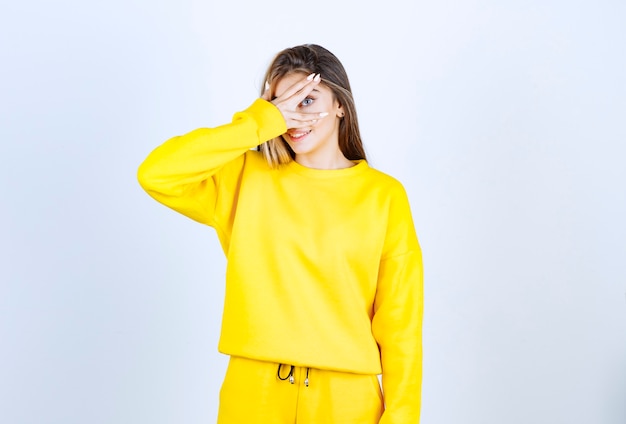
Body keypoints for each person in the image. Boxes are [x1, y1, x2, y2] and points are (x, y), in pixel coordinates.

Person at [137, 44, 423, 423]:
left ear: (340, 105)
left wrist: (402, 417)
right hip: (253, 392)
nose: (293, 117)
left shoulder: (384, 196)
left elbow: (401, 322)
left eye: (307, 100)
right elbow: (157, 173)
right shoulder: (246, 177)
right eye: (281, 103)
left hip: (346, 400)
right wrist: (260, 122)